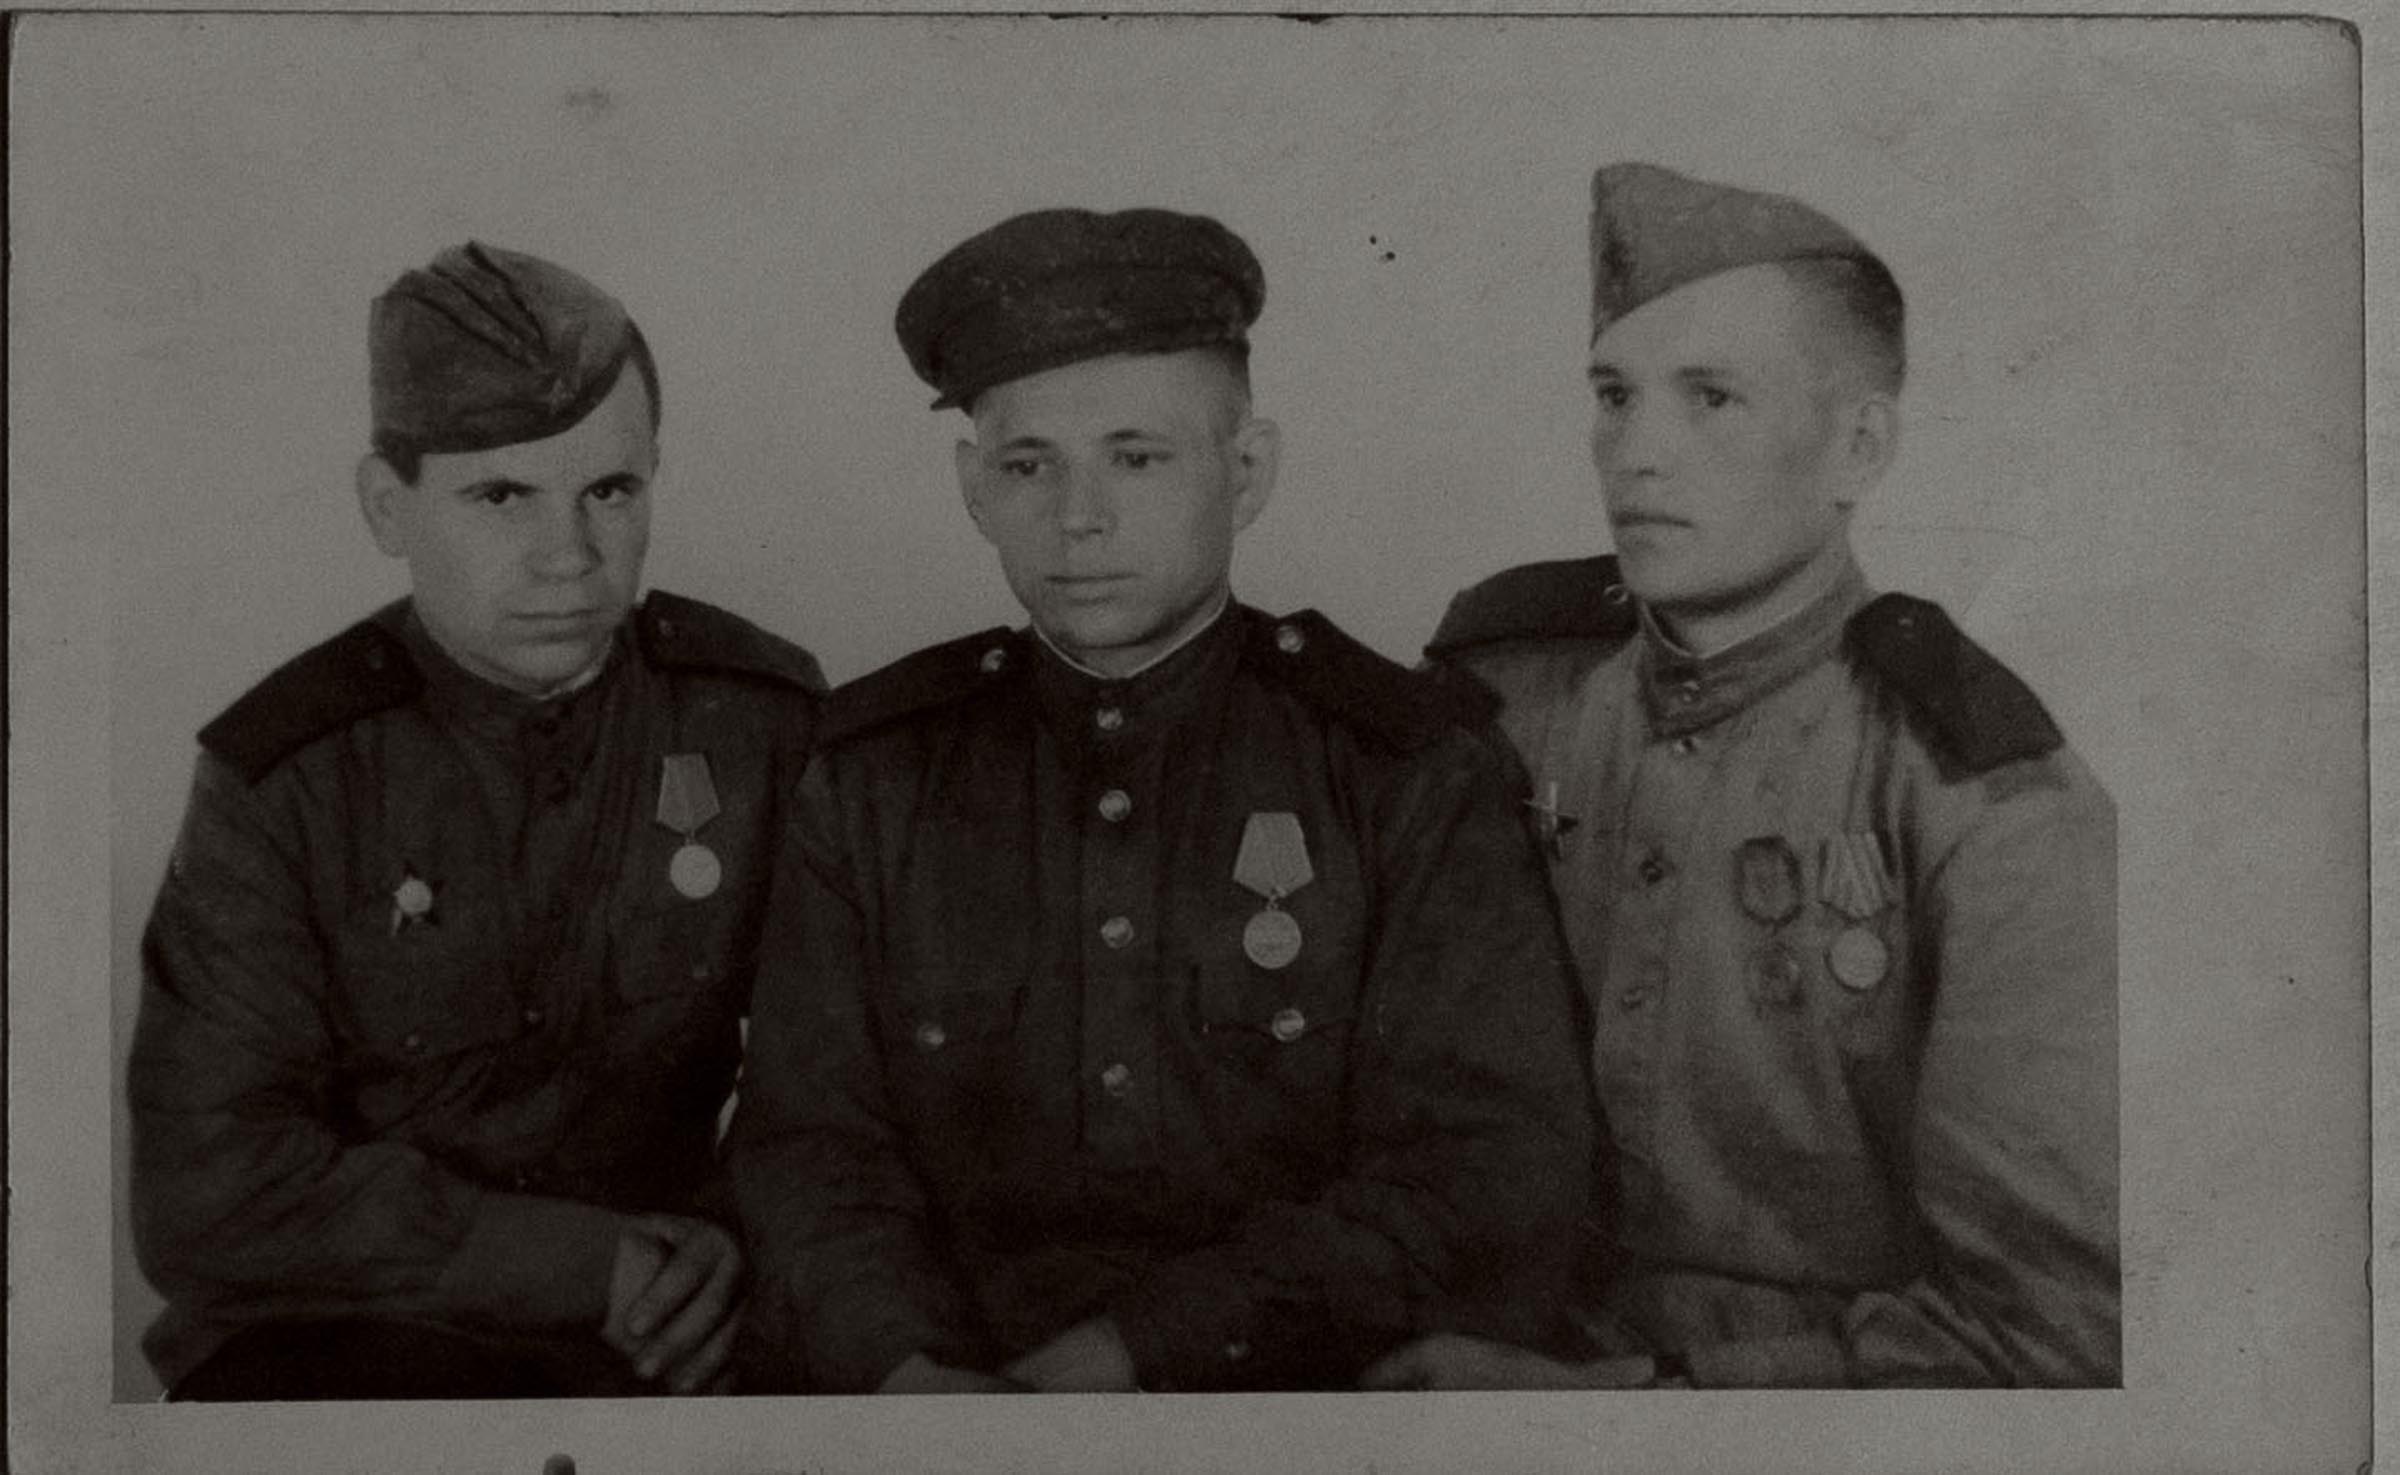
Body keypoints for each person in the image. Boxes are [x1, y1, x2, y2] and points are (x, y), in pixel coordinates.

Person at [726, 207, 1596, 1394]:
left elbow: (1485, 1166)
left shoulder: (1404, 766)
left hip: (1286, 1409)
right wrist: (905, 1372)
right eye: (1029, 464)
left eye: (1137, 457)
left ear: (1248, 472)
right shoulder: (873, 775)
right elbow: (807, 1145)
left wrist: (1136, 1353)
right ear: (974, 487)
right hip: (936, 1410)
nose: (1078, 516)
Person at [1374, 162, 2120, 1389]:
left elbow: (2048, 1335)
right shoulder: (1508, 703)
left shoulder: (1985, 800)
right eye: (1615, 396)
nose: (1637, 454)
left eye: (1711, 397)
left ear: (1858, 446)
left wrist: (1623, 1407)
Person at [128, 242, 825, 1399]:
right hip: (358, 1329)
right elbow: (208, 1192)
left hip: (685, 1323)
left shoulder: (757, 720)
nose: (569, 558)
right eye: (501, 496)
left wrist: (721, 1244)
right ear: (386, 506)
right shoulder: (289, 775)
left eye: (611, 491)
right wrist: (586, 1264)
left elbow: (849, 1085)